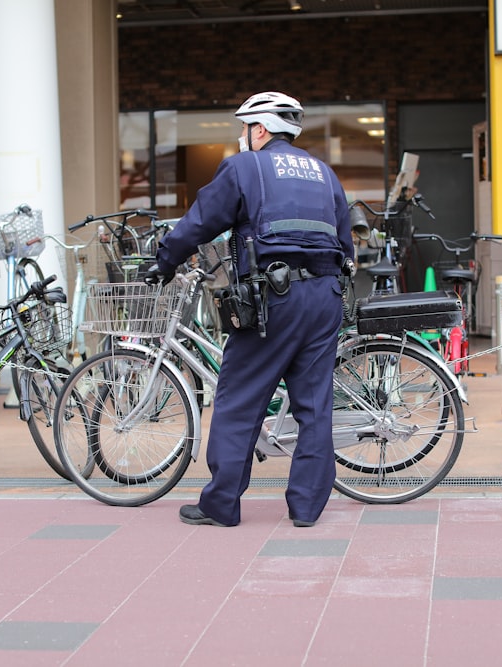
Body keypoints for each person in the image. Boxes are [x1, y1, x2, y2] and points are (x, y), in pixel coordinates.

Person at [148, 91, 355, 528]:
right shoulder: (323, 173)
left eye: (244, 129)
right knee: (314, 406)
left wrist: (165, 261)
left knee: (239, 400)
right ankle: (306, 508)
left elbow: (201, 221)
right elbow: (345, 241)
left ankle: (221, 504)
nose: (242, 137)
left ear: (259, 129)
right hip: (325, 297)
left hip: (273, 299)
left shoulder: (244, 167)